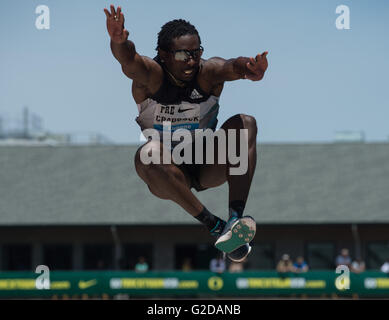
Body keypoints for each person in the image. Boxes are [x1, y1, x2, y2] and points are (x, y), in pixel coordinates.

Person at [104, 5, 268, 262]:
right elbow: (129, 60)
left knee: (245, 123)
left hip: (205, 165)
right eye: (183, 55)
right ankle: (214, 225)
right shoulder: (151, 75)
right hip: (166, 172)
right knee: (148, 154)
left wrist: (249, 68)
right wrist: (118, 42)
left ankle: (235, 221)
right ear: (164, 55)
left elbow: (231, 66)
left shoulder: (208, 73)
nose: (191, 61)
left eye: (196, 52)